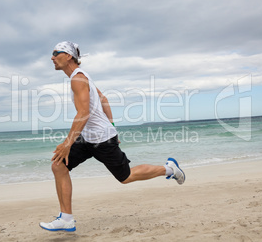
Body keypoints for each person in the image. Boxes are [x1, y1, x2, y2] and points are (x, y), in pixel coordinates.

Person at [39, 41, 185, 232]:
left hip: (101, 139)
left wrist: (68, 143)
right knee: (59, 165)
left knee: (125, 177)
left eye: (55, 53)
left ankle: (169, 169)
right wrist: (112, 126)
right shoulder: (82, 78)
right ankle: (66, 219)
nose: (52, 57)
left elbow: (83, 112)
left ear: (68, 56)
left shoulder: (78, 79)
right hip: (88, 137)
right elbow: (103, 99)